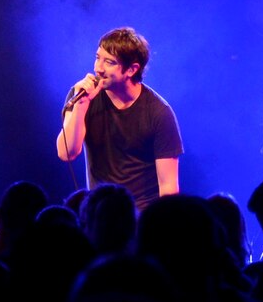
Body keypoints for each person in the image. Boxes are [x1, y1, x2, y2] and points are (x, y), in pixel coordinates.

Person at [55, 27, 183, 211]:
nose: (98, 68)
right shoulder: (81, 96)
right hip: (99, 214)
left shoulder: (158, 112)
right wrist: (81, 105)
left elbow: (168, 187)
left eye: (109, 62)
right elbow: (66, 153)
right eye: (98, 58)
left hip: (141, 217)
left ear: (131, 69)